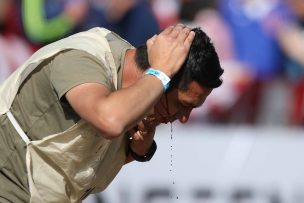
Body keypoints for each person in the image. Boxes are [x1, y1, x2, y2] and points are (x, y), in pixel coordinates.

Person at [0, 24, 223, 203]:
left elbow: (84, 160)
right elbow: (110, 122)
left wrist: (138, 150)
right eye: (184, 105)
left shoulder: (130, 93)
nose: (184, 118)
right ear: (160, 78)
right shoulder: (84, 59)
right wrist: (161, 73)